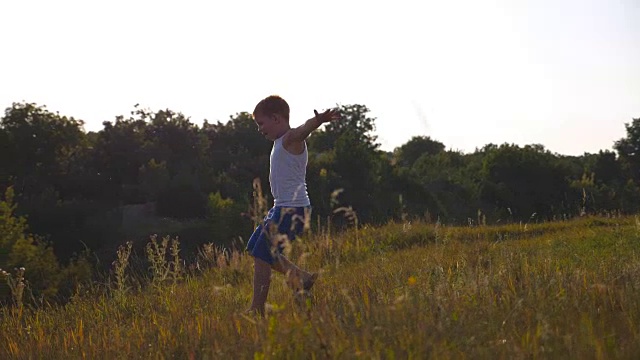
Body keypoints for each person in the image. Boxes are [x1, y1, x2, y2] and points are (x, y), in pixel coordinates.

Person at [245, 95, 340, 316]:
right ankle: (301, 278)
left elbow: (303, 130)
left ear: (276, 118)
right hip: (281, 208)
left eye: (261, 123)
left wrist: (318, 121)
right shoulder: (279, 142)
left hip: (294, 209)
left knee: (262, 254)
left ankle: (256, 309)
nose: (260, 129)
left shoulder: (290, 139)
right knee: (254, 247)